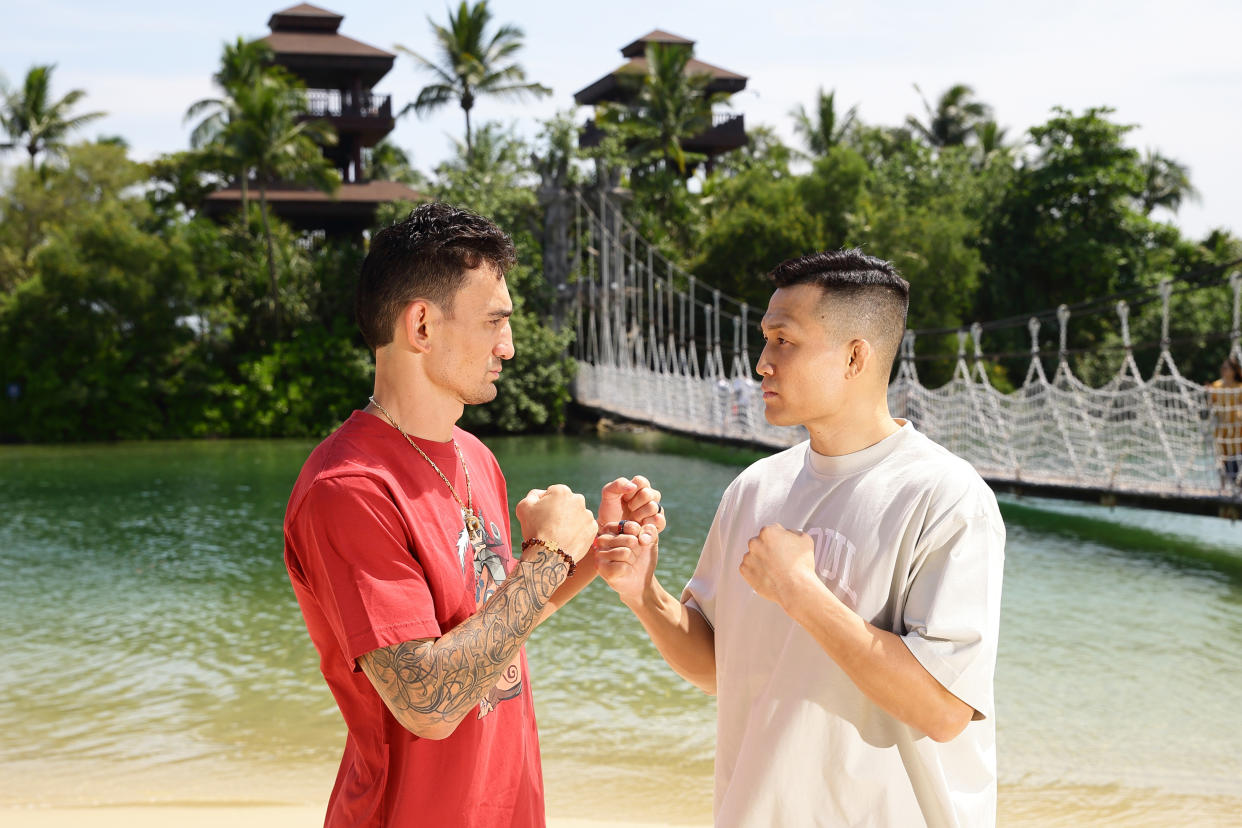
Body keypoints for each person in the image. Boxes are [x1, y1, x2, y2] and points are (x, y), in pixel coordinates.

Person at [283, 202, 663, 828]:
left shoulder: (474, 457)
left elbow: (495, 625)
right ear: (423, 326)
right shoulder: (349, 488)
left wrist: (596, 546)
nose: (508, 347)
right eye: (493, 322)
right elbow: (428, 702)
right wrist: (548, 555)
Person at [596, 250, 1006, 827]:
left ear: (855, 356)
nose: (761, 363)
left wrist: (801, 593)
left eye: (783, 341)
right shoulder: (754, 487)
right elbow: (717, 666)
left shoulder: (947, 498)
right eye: (764, 340)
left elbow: (943, 710)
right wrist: (643, 593)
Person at [1206, 353, 1242, 487]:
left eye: (1226, 368)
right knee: (1221, 461)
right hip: (1222, 430)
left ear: (1234, 371)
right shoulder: (1216, 386)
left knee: (1237, 463)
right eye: (1223, 368)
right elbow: (1211, 406)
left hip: (1238, 431)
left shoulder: (1239, 387)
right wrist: (1208, 395)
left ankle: (1236, 488)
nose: (1223, 371)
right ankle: (1223, 489)